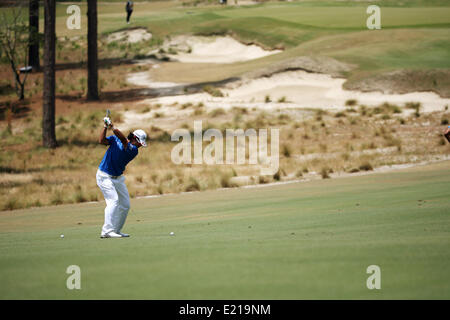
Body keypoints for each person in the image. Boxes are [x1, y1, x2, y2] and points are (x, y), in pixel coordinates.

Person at [97, 116, 147, 238]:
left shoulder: (133, 150)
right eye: (139, 142)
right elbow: (101, 141)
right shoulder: (115, 139)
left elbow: (123, 140)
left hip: (118, 178)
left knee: (125, 205)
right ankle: (107, 231)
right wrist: (105, 126)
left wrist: (111, 126)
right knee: (113, 201)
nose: (140, 145)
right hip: (104, 176)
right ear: (134, 138)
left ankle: (116, 230)